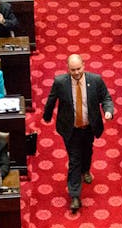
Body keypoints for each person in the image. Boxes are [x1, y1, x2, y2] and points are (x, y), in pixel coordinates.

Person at [42, 54, 114, 213]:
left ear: (84, 65)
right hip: (70, 128)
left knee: (87, 151)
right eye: (72, 69)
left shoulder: (95, 80)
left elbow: (106, 98)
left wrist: (108, 111)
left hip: (89, 126)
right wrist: (46, 116)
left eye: (78, 68)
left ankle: (86, 170)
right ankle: (75, 195)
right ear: (67, 69)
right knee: (74, 159)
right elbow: (51, 100)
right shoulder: (60, 82)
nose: (76, 72)